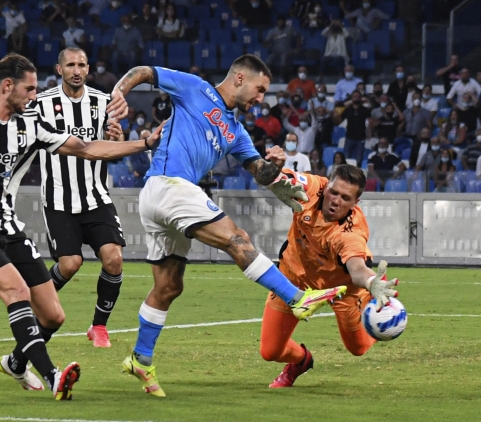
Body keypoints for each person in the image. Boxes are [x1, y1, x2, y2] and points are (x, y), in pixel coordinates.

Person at [0, 53, 164, 400]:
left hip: (8, 227)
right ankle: (53, 376)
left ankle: (15, 362)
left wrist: (144, 144)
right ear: (7, 86)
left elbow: (87, 148)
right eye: (29, 89)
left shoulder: (30, 125)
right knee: (17, 291)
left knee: (54, 316)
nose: (34, 96)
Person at [105, 55, 347, 397]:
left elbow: (260, 172)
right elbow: (145, 71)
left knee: (169, 286)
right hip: (169, 185)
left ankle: (141, 358)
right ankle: (296, 298)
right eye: (259, 89)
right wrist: (119, 92)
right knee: (237, 238)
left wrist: (275, 166)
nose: (261, 98)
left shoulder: (236, 131)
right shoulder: (195, 88)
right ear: (240, 78)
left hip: (162, 198)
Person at [259, 164, 399, 388]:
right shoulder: (311, 188)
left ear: (355, 203)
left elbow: (357, 268)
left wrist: (370, 282)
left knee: (358, 348)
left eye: (345, 198)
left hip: (342, 287)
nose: (336, 201)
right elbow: (283, 178)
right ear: (326, 186)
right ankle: (301, 361)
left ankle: (374, 309)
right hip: (295, 278)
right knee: (270, 351)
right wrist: (273, 168)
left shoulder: (350, 233)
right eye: (334, 192)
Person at [30, 47, 127, 348]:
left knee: (114, 258)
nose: (77, 70)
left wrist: (117, 138)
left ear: (88, 69)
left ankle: (99, 326)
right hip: (59, 199)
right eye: (71, 65)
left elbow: (115, 145)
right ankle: (37, 304)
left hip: (96, 197)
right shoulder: (41, 104)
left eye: (82, 65)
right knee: (70, 264)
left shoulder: (103, 102)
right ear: (59, 69)